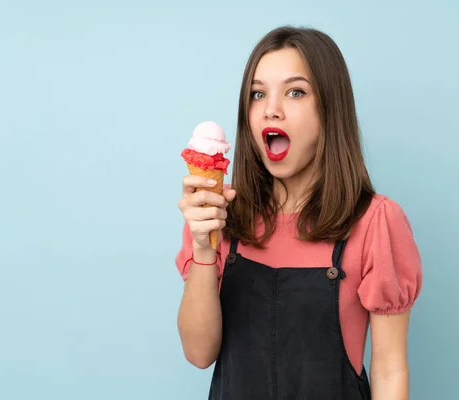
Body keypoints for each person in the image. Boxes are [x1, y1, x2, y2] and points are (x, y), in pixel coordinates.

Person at [175, 25, 422, 400]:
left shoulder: (375, 222)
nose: (271, 109)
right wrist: (204, 247)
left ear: (329, 111)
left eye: (295, 92)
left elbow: (389, 370)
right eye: (258, 94)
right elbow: (198, 354)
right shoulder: (219, 217)